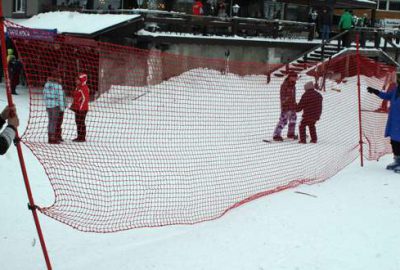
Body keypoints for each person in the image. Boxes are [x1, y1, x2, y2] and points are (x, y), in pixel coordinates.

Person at [367, 78, 400, 173]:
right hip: (394, 121)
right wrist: (376, 92)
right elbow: (387, 96)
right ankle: (397, 161)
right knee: (394, 142)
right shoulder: (396, 90)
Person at [273, 71, 298, 141]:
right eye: (295, 77)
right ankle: (276, 135)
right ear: (290, 77)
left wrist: (295, 104)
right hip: (286, 106)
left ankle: (291, 134)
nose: (296, 79)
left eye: (296, 77)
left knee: (293, 120)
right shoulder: (284, 85)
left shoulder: (293, 85)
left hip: (292, 106)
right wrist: (285, 103)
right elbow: (283, 96)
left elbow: (293, 96)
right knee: (283, 121)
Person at [43, 72, 66, 144]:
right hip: (55, 106)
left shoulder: (47, 84)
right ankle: (53, 138)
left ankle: (50, 137)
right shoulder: (58, 86)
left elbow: (44, 94)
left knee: (50, 121)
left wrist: (47, 104)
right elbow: (60, 98)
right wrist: (62, 108)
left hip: (49, 106)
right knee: (54, 122)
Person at [71, 73, 89, 142]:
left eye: (77, 80)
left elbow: (85, 99)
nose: (76, 81)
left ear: (81, 80)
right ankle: (79, 136)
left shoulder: (84, 88)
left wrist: (81, 108)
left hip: (82, 109)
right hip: (77, 108)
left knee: (81, 122)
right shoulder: (78, 87)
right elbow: (76, 97)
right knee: (78, 122)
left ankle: (82, 137)